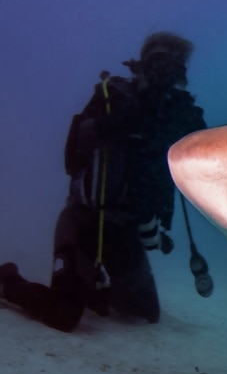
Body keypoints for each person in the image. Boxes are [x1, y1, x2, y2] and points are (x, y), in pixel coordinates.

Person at [0, 32, 207, 332]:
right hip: (84, 222)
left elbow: (199, 163)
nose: (164, 72)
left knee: (143, 313)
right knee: (63, 316)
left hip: (126, 230)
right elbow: (73, 155)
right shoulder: (112, 97)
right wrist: (118, 121)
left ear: (181, 73)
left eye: (173, 66)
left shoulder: (177, 116)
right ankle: (7, 280)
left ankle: (95, 287)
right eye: (158, 62)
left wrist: (196, 133)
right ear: (143, 64)